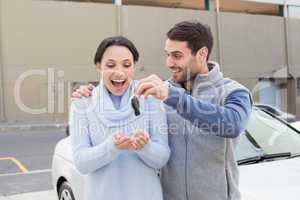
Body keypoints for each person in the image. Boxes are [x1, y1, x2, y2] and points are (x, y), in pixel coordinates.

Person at [73, 21, 252, 200]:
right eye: (167, 55)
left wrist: (172, 96)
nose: (169, 63)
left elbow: (232, 124)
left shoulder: (233, 91)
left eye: (177, 55)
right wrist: (92, 92)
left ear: (202, 54)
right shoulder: (159, 92)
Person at [69, 36, 170, 200]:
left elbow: (162, 158)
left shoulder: (149, 97)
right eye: (110, 65)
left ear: (134, 67)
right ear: (98, 66)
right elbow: (81, 163)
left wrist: (145, 147)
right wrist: (111, 147)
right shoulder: (82, 103)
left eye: (127, 65)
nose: (119, 72)